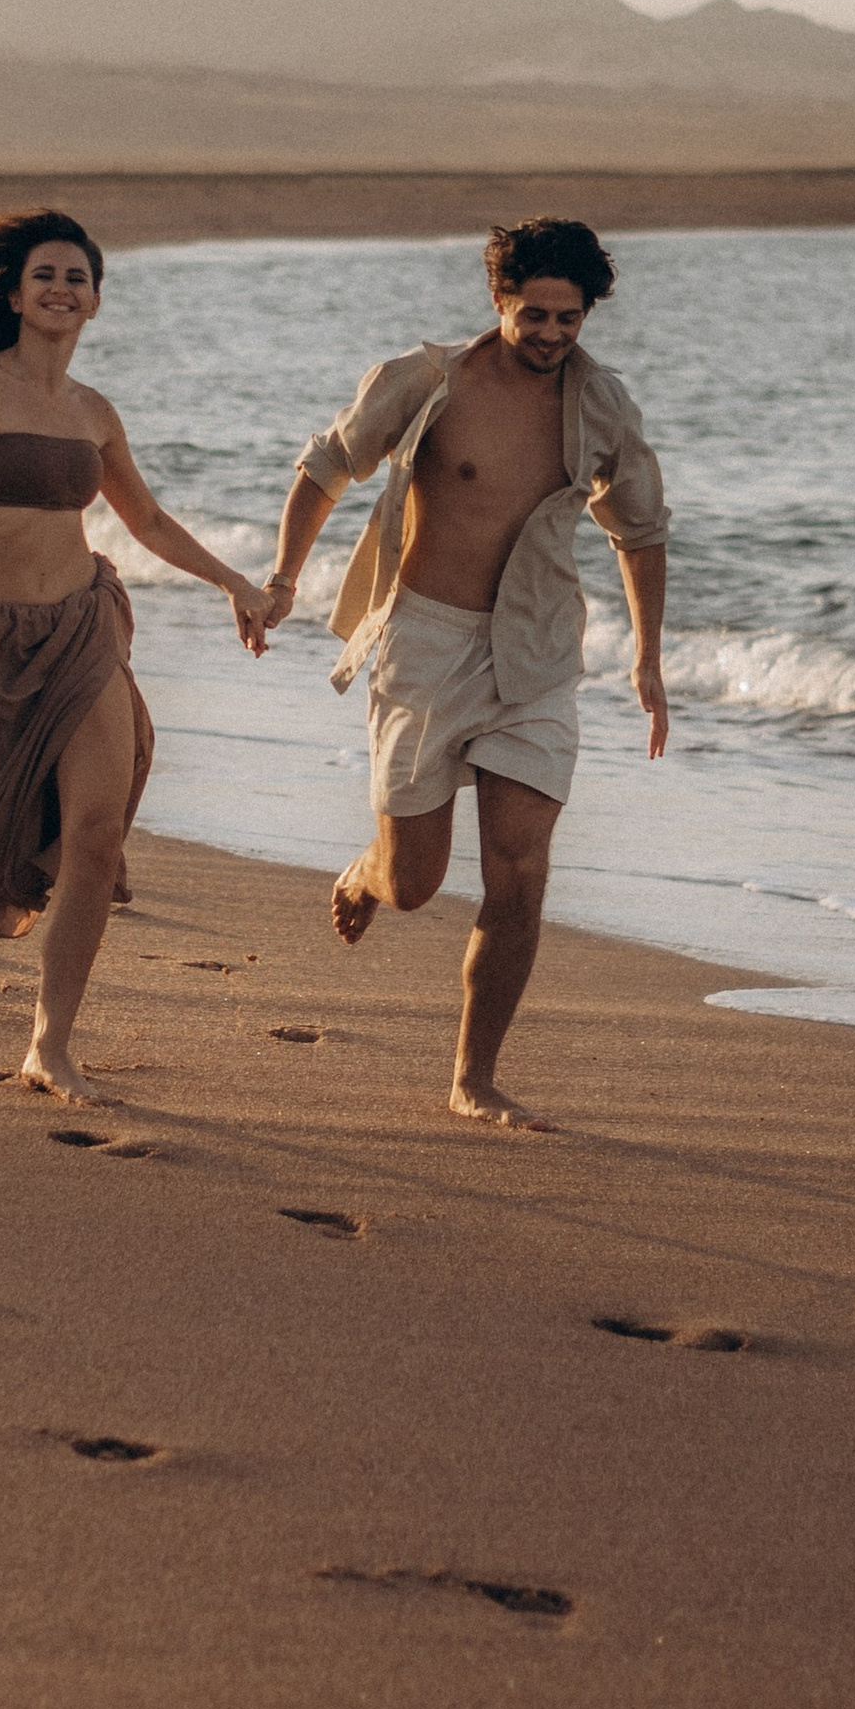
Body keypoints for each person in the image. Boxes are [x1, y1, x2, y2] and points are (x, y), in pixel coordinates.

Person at [0, 208, 273, 1105]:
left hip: (82, 629)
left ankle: (50, 1044)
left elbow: (144, 522)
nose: (61, 290)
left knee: (98, 835)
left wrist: (237, 583)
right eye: (45, 275)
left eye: (77, 278)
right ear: (14, 290)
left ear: (97, 301)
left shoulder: (92, 413)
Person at [264, 216, 668, 1131]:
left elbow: (640, 529)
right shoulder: (427, 379)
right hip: (425, 640)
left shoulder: (600, 404)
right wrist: (284, 578)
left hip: (536, 651)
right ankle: (366, 875)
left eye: (571, 319)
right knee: (415, 881)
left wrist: (647, 657)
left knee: (520, 877)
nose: (553, 336)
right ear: (499, 300)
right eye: (536, 315)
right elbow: (327, 466)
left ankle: (473, 1079)